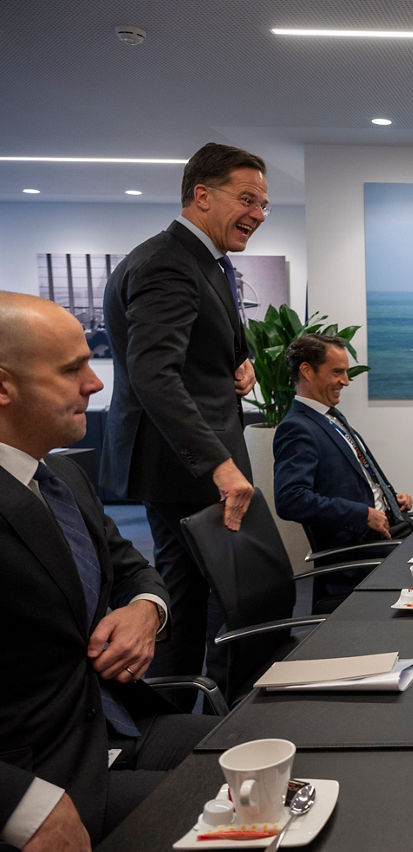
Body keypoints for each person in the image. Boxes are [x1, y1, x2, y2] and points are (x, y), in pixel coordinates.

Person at [0, 293, 213, 849]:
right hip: (44, 773)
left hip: (115, 723)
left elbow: (134, 570)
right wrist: (20, 806)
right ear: (2, 386)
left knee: (273, 749)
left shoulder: (63, 479)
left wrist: (146, 610)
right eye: (73, 369)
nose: (95, 385)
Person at [100, 142, 265, 685]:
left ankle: (178, 723)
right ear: (201, 196)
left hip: (190, 465)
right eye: (246, 199)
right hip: (188, 470)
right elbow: (153, 374)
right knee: (224, 602)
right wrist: (217, 464)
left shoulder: (204, 262)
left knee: (194, 602)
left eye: (263, 205)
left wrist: (238, 367)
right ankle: (215, 727)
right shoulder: (168, 263)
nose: (257, 215)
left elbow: (193, 354)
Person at [274, 333, 413, 550]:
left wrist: (390, 500)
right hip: (362, 549)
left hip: (393, 530)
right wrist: (362, 514)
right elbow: (291, 500)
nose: (346, 381)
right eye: (337, 372)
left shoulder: (332, 416)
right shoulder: (297, 428)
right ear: (307, 371)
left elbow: (347, 482)